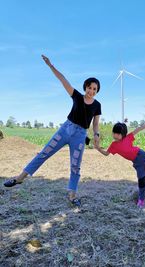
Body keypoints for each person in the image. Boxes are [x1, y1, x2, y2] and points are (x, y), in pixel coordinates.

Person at [4, 55, 102, 207]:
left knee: (75, 165)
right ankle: (20, 177)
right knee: (44, 153)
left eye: (94, 89)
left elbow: (95, 123)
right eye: (89, 87)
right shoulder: (76, 96)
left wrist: (96, 135)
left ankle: (72, 194)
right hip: (65, 130)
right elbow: (63, 79)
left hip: (80, 135)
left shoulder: (97, 105)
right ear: (85, 87)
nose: (91, 91)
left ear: (97, 91)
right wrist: (51, 66)